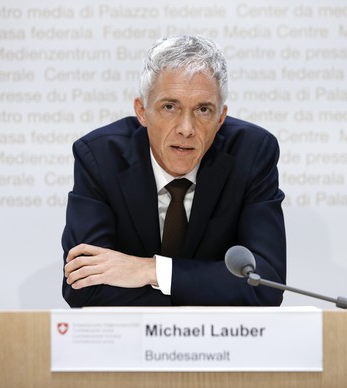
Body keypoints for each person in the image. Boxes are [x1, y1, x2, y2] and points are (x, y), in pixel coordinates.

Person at [61, 35, 286, 306]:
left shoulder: (252, 154)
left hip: (222, 343)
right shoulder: (100, 158)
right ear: (142, 112)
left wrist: (151, 271)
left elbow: (265, 284)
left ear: (221, 118)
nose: (186, 129)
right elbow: (83, 285)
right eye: (170, 107)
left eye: (203, 109)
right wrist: (204, 293)